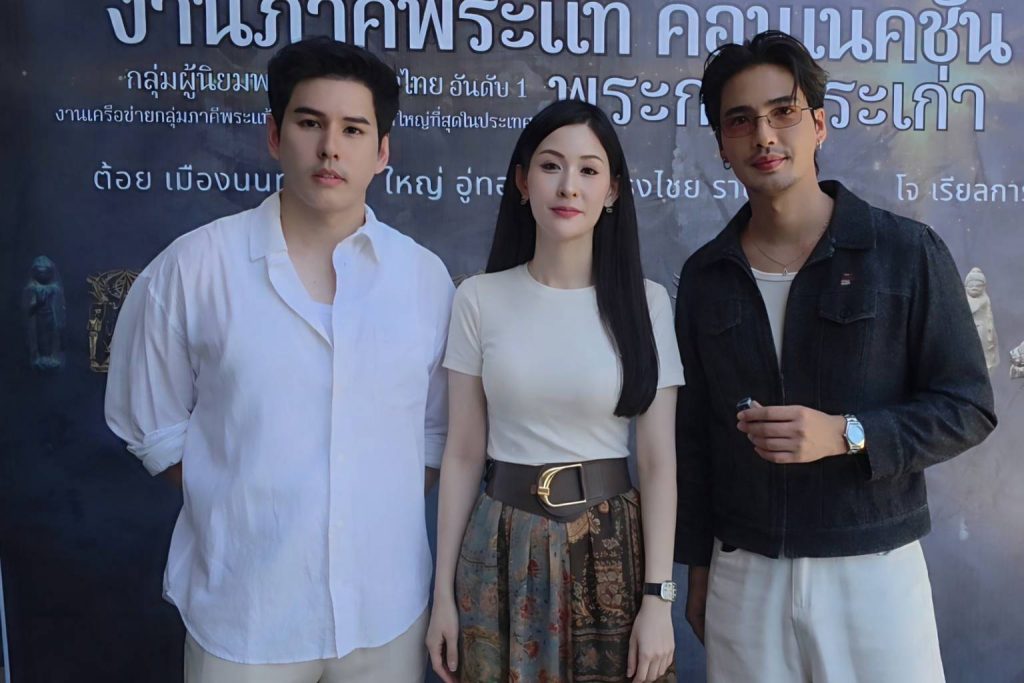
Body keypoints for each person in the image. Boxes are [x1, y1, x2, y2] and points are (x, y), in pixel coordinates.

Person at [105, 37, 454, 682]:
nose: (330, 148)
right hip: (245, 615)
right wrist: (245, 500)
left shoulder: (424, 280)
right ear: (274, 136)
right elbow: (150, 427)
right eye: (309, 123)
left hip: (385, 614)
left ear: (382, 152)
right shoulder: (194, 268)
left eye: (353, 129)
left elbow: (433, 438)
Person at [674, 30, 996, 682]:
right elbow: (696, 440)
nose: (765, 135)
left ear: (818, 125)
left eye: (783, 112)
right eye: (741, 121)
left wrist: (847, 433)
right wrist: (699, 571)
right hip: (746, 574)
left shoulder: (904, 252)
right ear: (722, 147)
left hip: (873, 571)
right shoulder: (706, 277)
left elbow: (967, 407)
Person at [426, 99, 684, 683]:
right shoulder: (478, 298)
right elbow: (463, 453)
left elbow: (658, 462)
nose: (569, 186)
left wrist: (658, 598)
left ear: (612, 191)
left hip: (612, 548)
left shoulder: (647, 304)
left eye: (589, 170)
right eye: (550, 166)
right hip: (498, 546)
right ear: (523, 182)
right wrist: (443, 595)